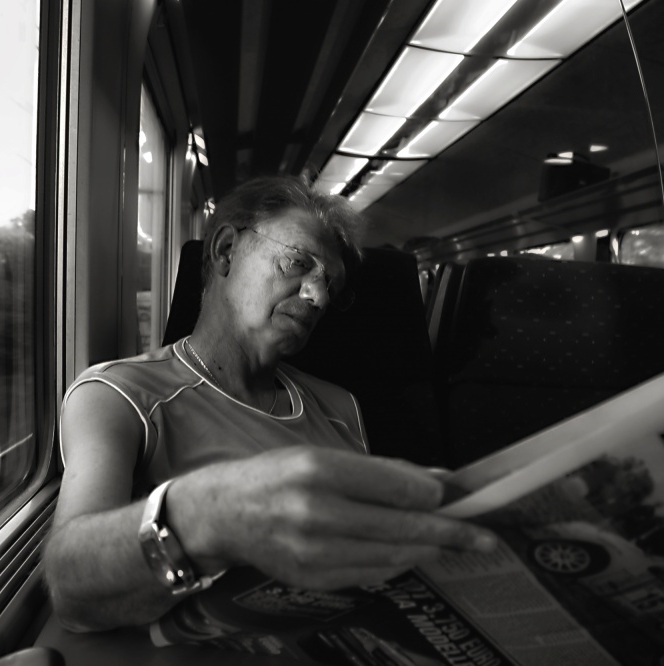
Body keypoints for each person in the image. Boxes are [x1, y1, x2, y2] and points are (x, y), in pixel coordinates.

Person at [43, 175, 497, 632]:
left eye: (330, 285)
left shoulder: (339, 406)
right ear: (226, 251)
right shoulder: (118, 394)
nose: (318, 296)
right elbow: (72, 586)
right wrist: (214, 515)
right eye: (298, 262)